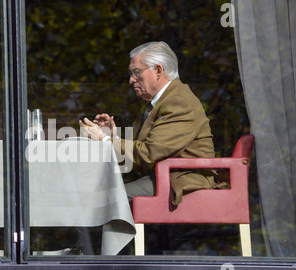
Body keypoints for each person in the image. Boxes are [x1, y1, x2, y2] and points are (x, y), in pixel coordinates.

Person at [80, 41, 225, 205]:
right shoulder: (161, 101)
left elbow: (148, 154)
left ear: (157, 70)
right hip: (167, 177)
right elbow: (140, 152)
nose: (131, 80)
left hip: (185, 182)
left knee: (109, 200)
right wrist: (111, 137)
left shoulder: (178, 102)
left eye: (136, 72)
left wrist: (104, 140)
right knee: (97, 196)